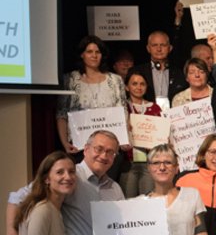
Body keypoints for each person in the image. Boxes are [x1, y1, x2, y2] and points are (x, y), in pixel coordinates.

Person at [56, 36, 128, 181]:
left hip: (109, 149)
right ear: (82, 54)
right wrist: (65, 142)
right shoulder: (70, 80)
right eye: (89, 52)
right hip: (81, 149)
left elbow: (123, 111)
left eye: (97, 52)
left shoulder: (115, 80)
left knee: (106, 190)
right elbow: (62, 113)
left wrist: (124, 138)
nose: (94, 55)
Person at [121, 71, 163, 198]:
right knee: (128, 202)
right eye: (134, 84)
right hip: (128, 162)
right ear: (126, 87)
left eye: (142, 84)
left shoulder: (155, 108)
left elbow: (161, 134)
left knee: (148, 201)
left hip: (149, 163)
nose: (139, 87)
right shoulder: (122, 108)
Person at [128, 31, 186, 109]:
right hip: (145, 117)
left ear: (170, 48)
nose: (159, 49)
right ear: (148, 48)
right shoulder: (137, 72)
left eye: (163, 45)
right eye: (154, 45)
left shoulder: (179, 73)